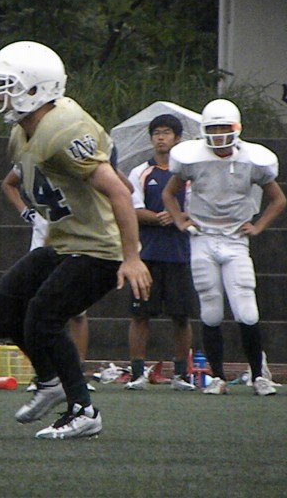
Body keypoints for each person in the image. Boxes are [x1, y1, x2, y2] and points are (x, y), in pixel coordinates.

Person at [0, 40, 151, 439]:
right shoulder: (22, 133)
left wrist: (131, 257)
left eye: (7, 86)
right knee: (1, 307)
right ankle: (50, 381)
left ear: (34, 89)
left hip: (99, 247)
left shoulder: (62, 129)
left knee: (44, 315)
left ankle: (83, 409)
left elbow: (119, 191)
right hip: (64, 242)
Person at [162, 98, 287, 397]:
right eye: (213, 128)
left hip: (234, 239)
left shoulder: (251, 159)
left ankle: (259, 376)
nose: (219, 135)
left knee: (246, 309)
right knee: (211, 310)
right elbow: (169, 193)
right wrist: (179, 219)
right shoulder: (192, 158)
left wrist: (258, 226)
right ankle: (217, 377)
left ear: (236, 128)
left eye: (224, 128)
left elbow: (278, 199)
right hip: (202, 238)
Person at [0, 167, 94, 392]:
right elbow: (8, 183)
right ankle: (45, 373)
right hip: (44, 233)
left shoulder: (75, 157)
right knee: (35, 307)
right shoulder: (31, 156)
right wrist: (26, 212)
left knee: (77, 311)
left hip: (75, 232)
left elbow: (121, 188)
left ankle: (77, 372)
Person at [125, 114, 196, 392]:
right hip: (147, 255)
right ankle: (137, 374)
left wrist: (178, 216)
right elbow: (132, 209)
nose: (161, 138)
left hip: (181, 254)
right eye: (156, 133)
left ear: (177, 138)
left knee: (181, 316)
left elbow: (198, 209)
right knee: (140, 315)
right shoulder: (140, 172)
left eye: (166, 133)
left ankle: (181, 375)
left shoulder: (190, 174)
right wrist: (159, 217)